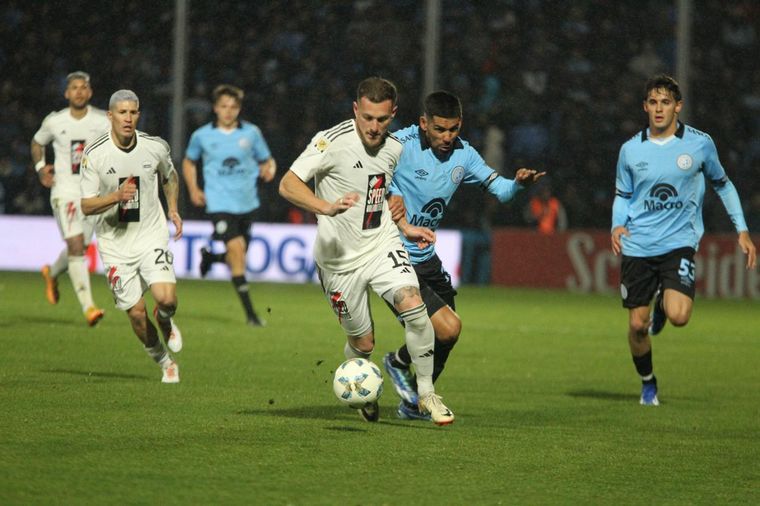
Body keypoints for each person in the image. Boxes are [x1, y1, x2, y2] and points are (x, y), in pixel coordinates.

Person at [279, 77, 454, 425]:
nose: (374, 127)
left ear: (393, 115)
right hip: (338, 260)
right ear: (356, 110)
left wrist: (404, 227)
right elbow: (288, 184)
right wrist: (324, 206)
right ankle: (361, 388)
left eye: (383, 119)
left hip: (380, 243)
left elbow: (380, 193)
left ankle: (426, 394)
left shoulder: (394, 149)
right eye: (368, 118)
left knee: (413, 306)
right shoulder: (329, 142)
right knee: (363, 343)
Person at [383, 90, 544, 420]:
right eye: (439, 129)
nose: (447, 137)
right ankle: (399, 362)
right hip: (391, 257)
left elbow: (501, 191)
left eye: (453, 129)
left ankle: (413, 402)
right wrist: (390, 193)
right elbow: (370, 169)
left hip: (426, 256)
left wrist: (519, 184)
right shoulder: (399, 144)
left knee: (448, 336)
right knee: (446, 328)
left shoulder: (464, 155)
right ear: (423, 123)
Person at [611, 74, 757, 406]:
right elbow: (622, 194)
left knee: (679, 316)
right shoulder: (631, 150)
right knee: (636, 326)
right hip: (637, 245)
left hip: (679, 242)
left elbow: (723, 184)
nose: (659, 109)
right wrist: (617, 225)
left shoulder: (699, 144)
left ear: (678, 106)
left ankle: (664, 302)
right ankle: (648, 382)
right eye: (653, 102)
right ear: (645, 106)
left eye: (665, 102)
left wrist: (742, 230)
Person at [80, 90, 184, 383]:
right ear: (110, 116)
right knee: (136, 314)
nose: (128, 118)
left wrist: (173, 209)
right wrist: (115, 196)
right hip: (115, 244)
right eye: (122, 113)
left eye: (133, 112)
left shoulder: (155, 147)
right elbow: (86, 204)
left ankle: (165, 319)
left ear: (139, 114)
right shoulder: (95, 154)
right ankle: (165, 362)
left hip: (150, 235)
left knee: (167, 299)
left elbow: (170, 176)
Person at [182, 85, 275, 326]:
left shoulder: (251, 133)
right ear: (215, 108)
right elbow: (189, 162)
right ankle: (251, 315)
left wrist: (269, 169)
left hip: (246, 203)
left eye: (233, 107)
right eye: (223, 106)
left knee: (239, 256)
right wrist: (194, 189)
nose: (228, 111)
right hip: (218, 203)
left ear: (239, 109)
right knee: (236, 249)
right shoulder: (202, 136)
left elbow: (267, 160)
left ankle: (211, 259)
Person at [31, 71, 110, 326]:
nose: (78, 91)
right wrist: (41, 167)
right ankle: (89, 308)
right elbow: (36, 142)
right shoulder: (55, 121)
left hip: (92, 194)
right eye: (74, 87)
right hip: (64, 192)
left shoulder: (102, 121)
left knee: (80, 246)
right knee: (77, 246)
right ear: (66, 93)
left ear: (90, 92)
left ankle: (52, 273)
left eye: (83, 87)